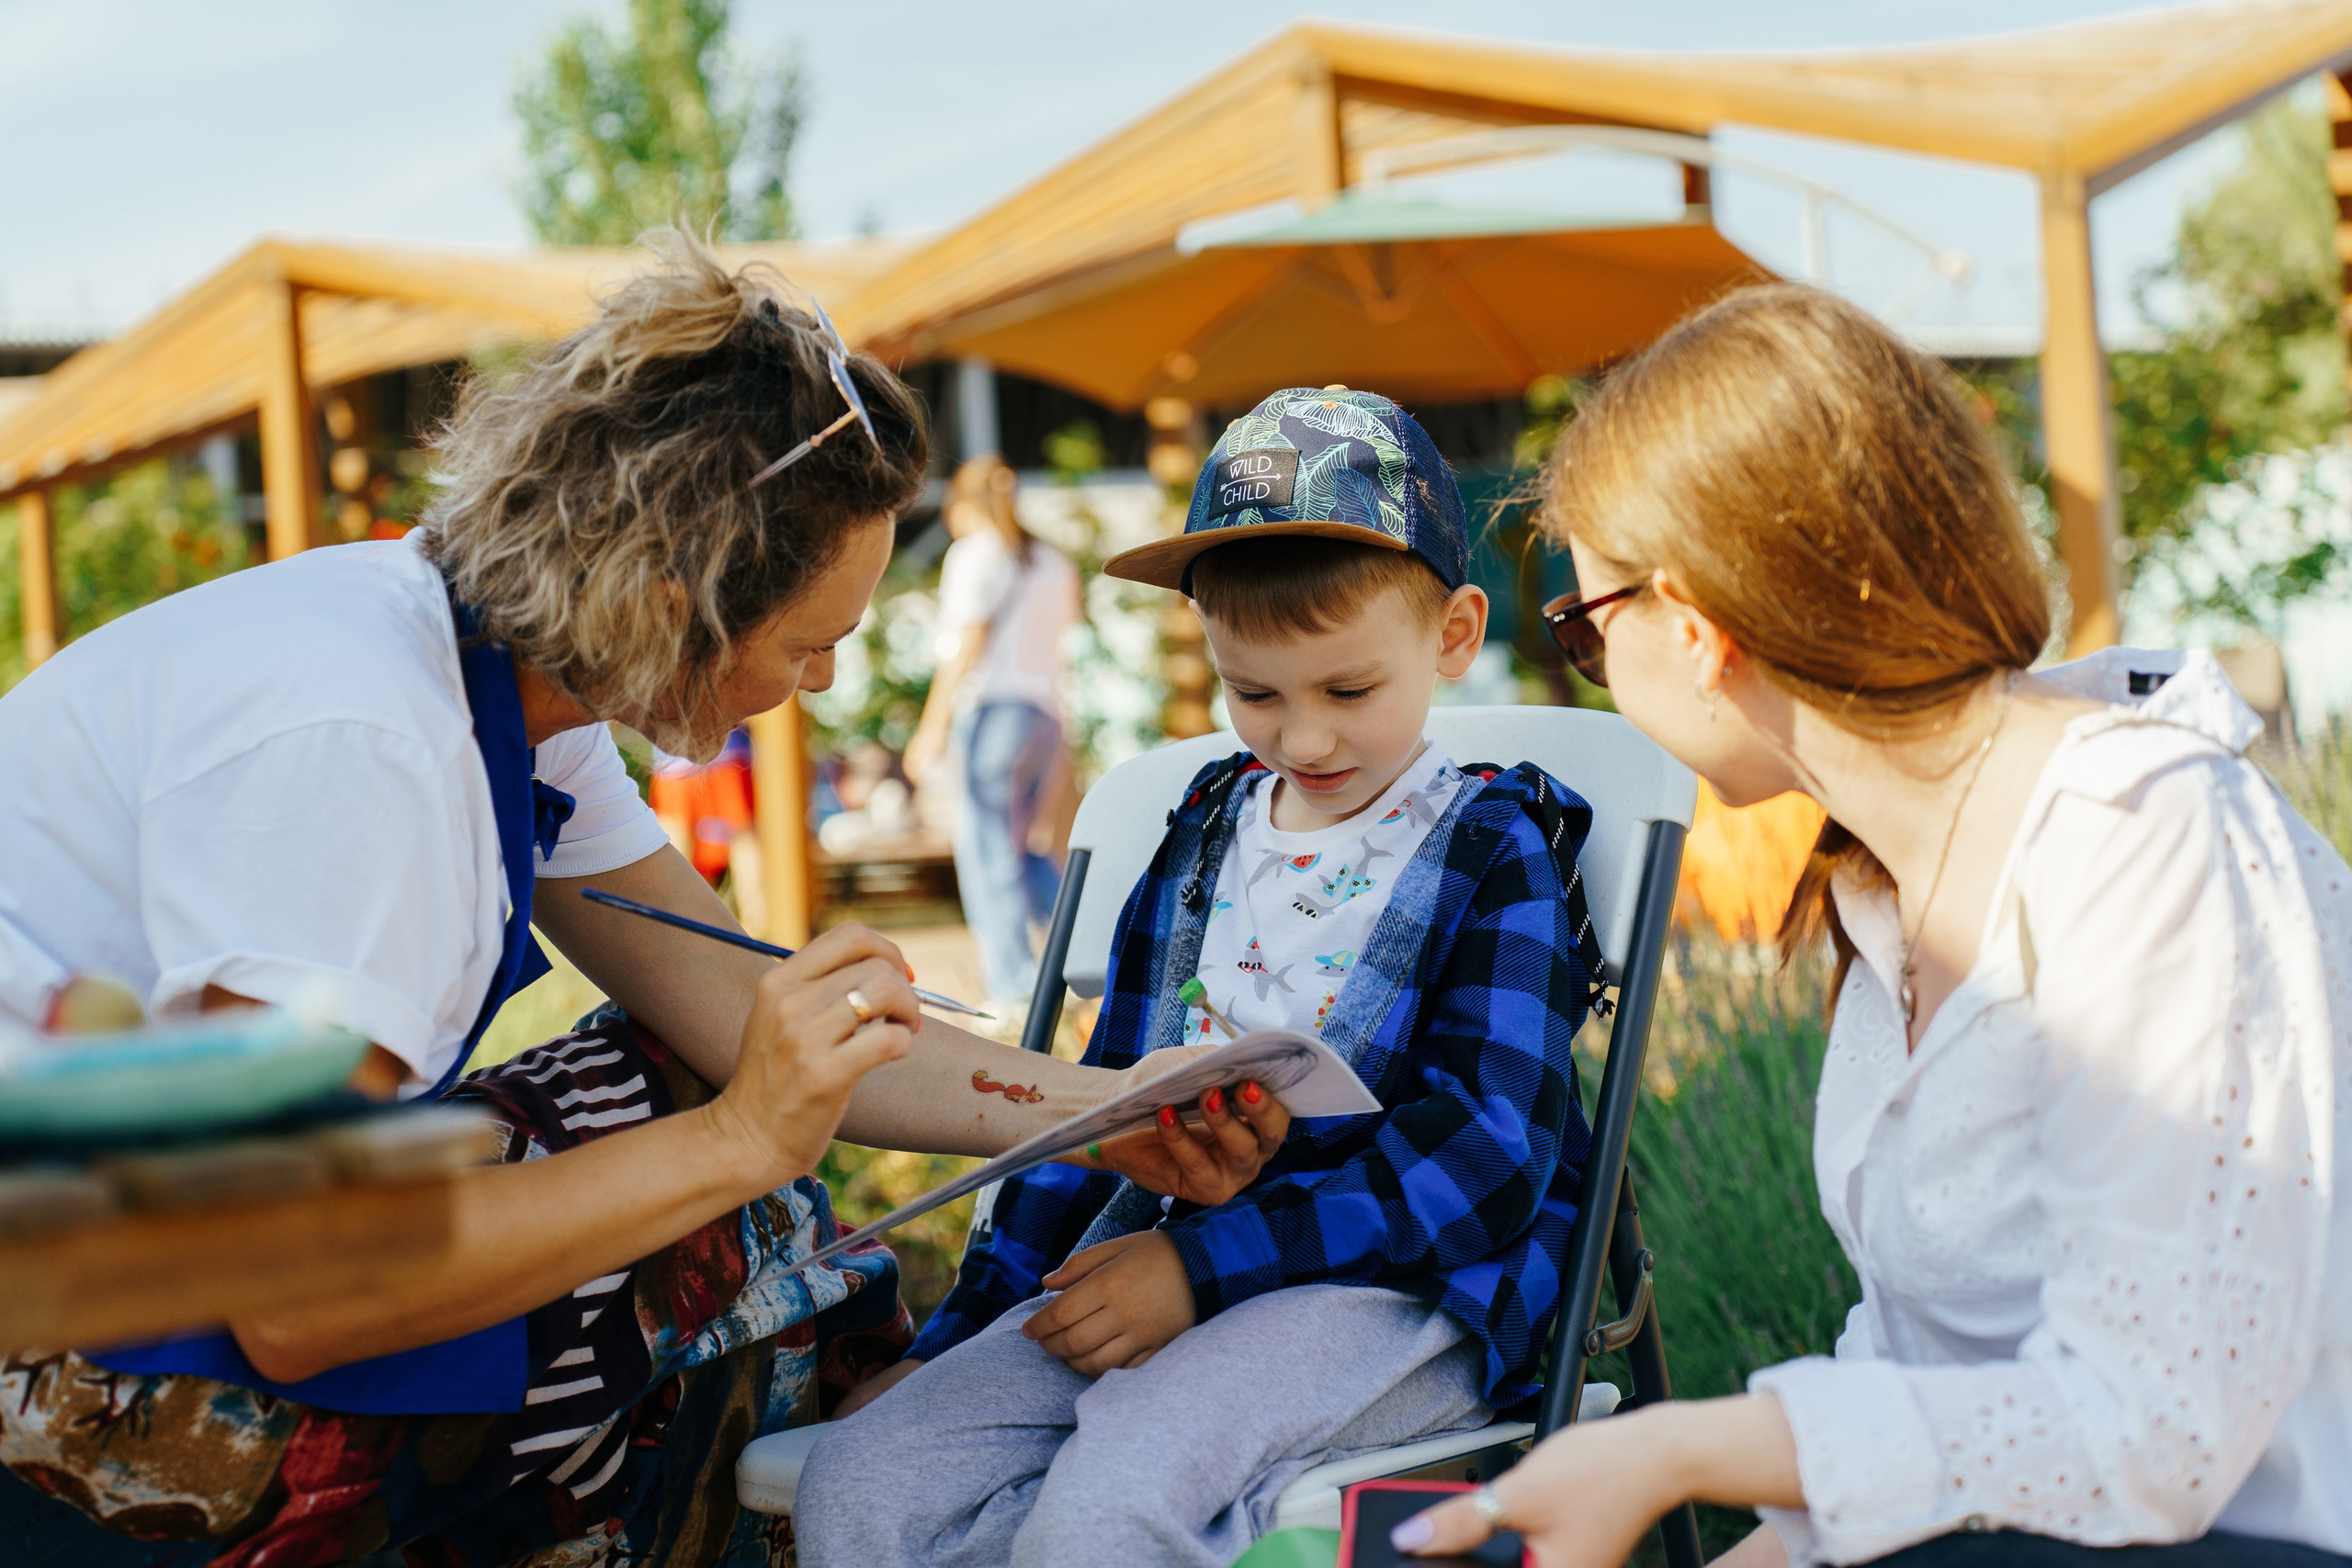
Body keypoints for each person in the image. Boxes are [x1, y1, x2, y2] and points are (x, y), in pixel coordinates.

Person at [0, 233, 1290, 1566]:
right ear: (675, 601)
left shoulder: (498, 683)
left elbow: (732, 1007)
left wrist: (1104, 1113)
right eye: (810, 645)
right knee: (728, 1216)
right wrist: (744, 1139)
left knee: (703, 1139)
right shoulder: (363, 739)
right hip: (66, 1344)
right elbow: (300, 1289)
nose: (827, 687)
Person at [1396, 286, 2352, 1567]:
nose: (1594, 670)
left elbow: (2150, 1429)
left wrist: (1677, 1447)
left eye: (1585, 627)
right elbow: (1922, 1378)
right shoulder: (1884, 886)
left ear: (1692, 625)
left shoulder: (2145, 836)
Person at [795, 388, 1611, 1568]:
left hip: (1395, 1294)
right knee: (866, 1485)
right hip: (1161, 1264)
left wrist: (1200, 1265)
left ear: (1451, 634)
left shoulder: (1492, 846)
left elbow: (1482, 1160)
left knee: (1109, 1504)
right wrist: (949, 1341)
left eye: (1347, 692)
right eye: (1254, 693)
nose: (1304, 741)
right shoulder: (1203, 835)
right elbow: (1101, 1103)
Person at [904, 453, 1084, 1008]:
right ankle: (1082, 963)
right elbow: (1064, 649)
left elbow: (968, 643)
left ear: (961, 505)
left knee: (988, 853)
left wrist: (929, 729)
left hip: (996, 713)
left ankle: (1013, 989)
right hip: (1045, 714)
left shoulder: (976, 553)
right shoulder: (1052, 561)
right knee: (1029, 851)